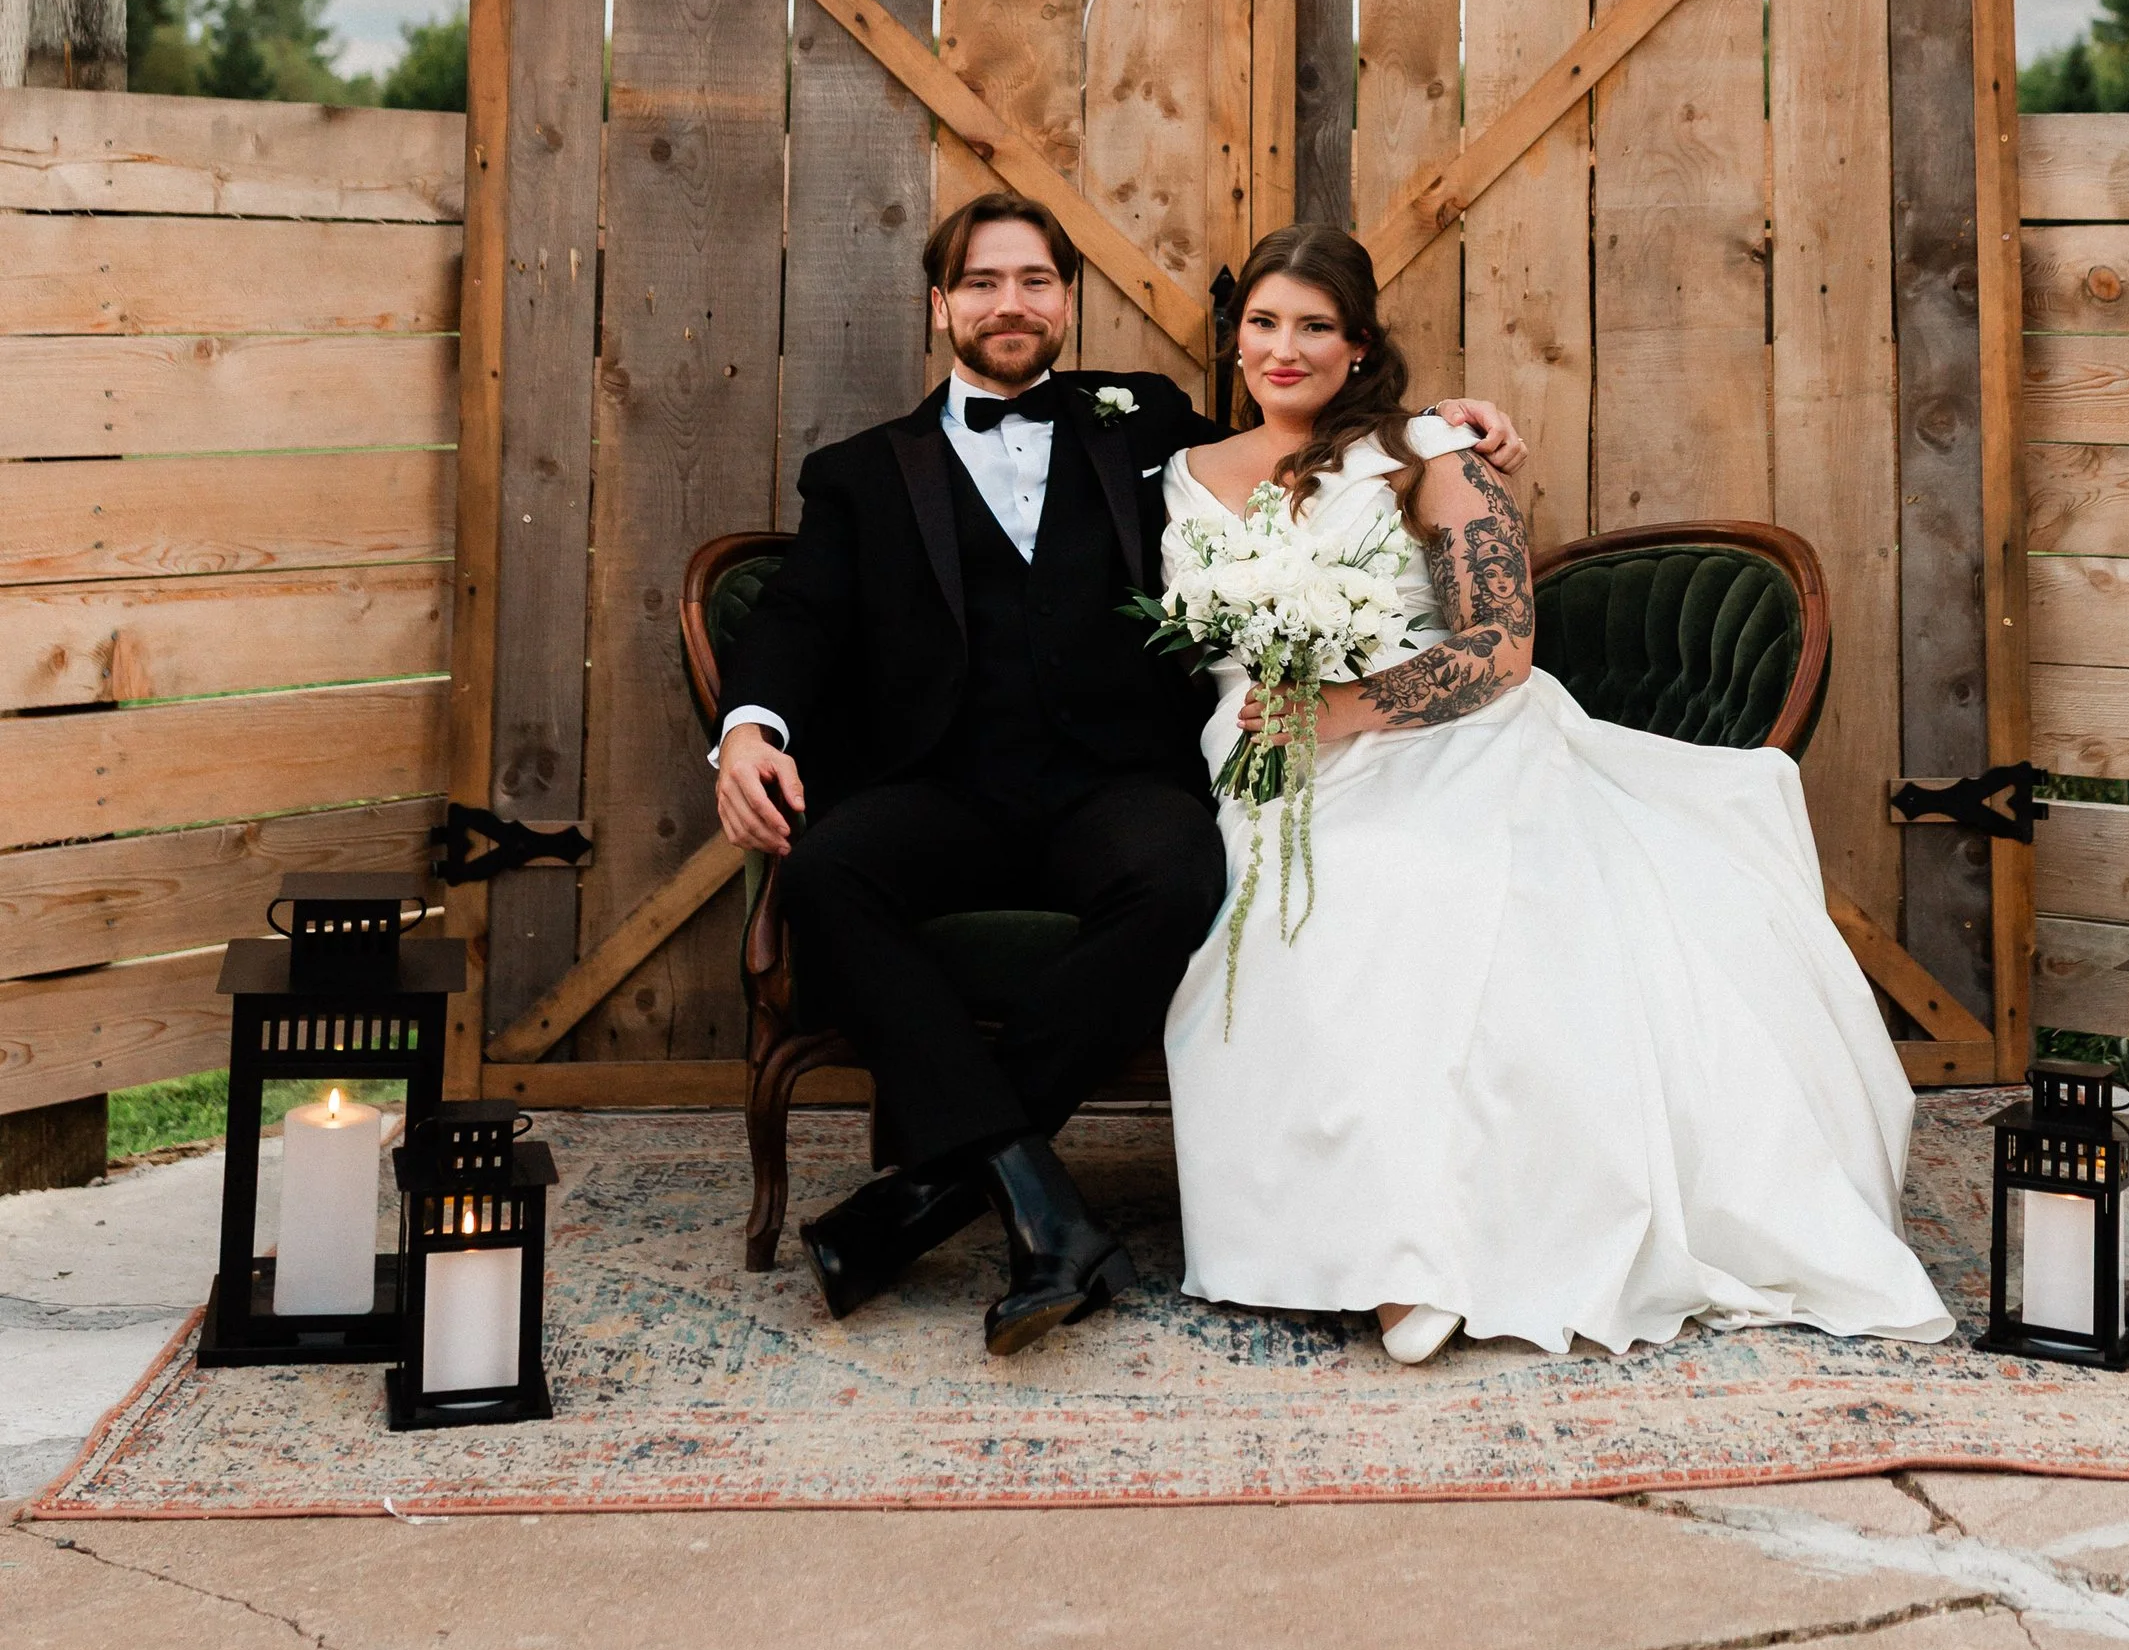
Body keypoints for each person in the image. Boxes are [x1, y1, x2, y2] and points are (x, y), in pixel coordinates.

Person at [712, 190, 1526, 1358]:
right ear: (941, 304)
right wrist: (749, 726)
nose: (1010, 304)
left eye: (1034, 282)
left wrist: (1446, 423)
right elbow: (795, 617)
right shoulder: (858, 471)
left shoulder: (1142, 421)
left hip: (1114, 784)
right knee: (830, 870)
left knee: (1178, 876)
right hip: (945, 784)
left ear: (1065, 300)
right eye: (983, 283)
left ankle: (928, 1190)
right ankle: (1037, 1201)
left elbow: (1315, 426)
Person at [1161, 223, 1953, 1362]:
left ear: (1359, 342)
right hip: (1262, 752)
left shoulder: (1432, 453)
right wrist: (1293, 720)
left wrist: (1345, 707)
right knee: (1283, 909)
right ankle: (1358, 1233)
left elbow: (1500, 646)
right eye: (1264, 324)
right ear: (1236, 338)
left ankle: (1433, 1249)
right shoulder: (1181, 473)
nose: (1285, 349)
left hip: (1449, 732)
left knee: (1414, 884)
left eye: (1315, 326)